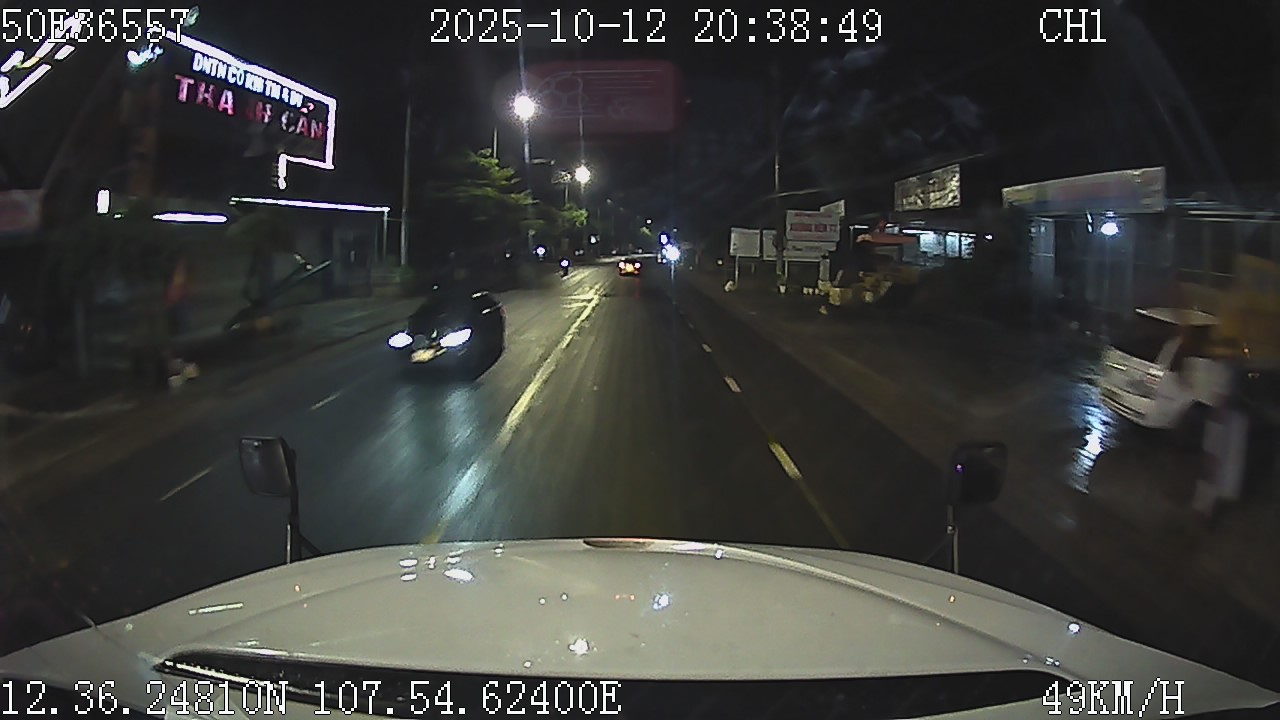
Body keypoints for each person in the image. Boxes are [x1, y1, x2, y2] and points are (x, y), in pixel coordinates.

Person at [1193, 356, 1248, 523]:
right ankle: (1207, 509)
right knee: (1216, 462)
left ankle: (1207, 510)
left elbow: (1220, 397)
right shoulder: (1224, 369)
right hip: (1224, 416)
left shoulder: (1225, 369)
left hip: (1224, 417)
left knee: (1216, 463)